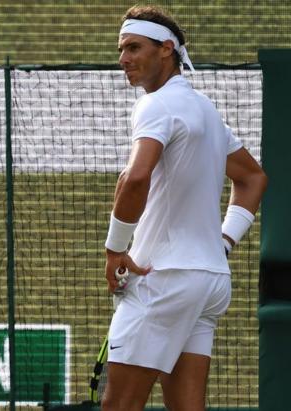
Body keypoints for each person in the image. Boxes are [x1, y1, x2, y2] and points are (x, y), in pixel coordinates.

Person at [102, 5, 267, 411]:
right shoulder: (206, 111)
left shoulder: (156, 105)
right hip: (208, 282)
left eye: (134, 47)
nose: (123, 59)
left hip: (166, 279)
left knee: (119, 405)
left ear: (167, 49)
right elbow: (254, 178)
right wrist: (223, 242)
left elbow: (134, 178)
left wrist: (115, 249)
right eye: (121, 49)